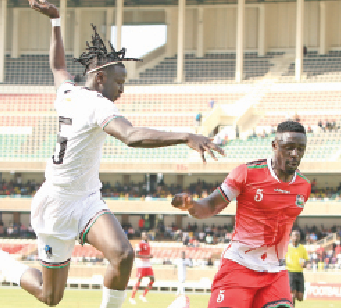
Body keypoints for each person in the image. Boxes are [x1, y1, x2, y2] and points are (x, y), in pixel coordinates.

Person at [0, 1, 224, 308]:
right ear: (100, 78)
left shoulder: (68, 93)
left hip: (87, 199)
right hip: (57, 205)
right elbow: (130, 136)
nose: (122, 89)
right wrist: (185, 135)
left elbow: (58, 67)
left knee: (123, 254)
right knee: (50, 296)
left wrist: (55, 22)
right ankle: (5, 265)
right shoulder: (98, 104)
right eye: (119, 81)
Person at [172, 121, 311, 308]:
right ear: (274, 145)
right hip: (239, 267)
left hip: (275, 273)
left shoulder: (303, 186)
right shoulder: (246, 174)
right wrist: (191, 205)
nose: (295, 154)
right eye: (289, 148)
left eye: (300, 149)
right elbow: (211, 205)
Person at [129, 232, 154, 305]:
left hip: (148, 265)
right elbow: (136, 255)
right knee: (138, 281)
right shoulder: (140, 244)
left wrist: (149, 257)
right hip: (141, 265)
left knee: (152, 280)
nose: (145, 236)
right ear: (142, 236)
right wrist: (147, 257)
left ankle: (143, 295)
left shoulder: (148, 244)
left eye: (146, 235)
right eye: (144, 235)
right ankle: (132, 298)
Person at [285, 230, 308, 307]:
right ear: (291, 237)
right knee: (292, 295)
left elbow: (306, 260)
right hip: (290, 272)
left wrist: (305, 264)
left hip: (300, 273)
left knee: (300, 297)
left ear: (300, 237)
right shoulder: (287, 247)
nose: (296, 237)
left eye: (297, 236)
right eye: (294, 236)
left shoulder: (303, 248)